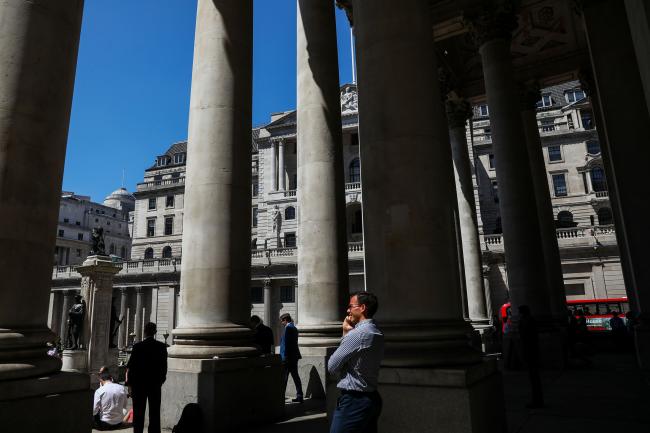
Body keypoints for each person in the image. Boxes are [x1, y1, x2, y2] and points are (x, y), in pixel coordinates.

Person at [328, 292, 384, 433]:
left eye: (351, 306)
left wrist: (345, 332)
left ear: (362, 308)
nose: (348, 310)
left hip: (353, 401)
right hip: (371, 398)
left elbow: (332, 366)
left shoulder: (358, 334)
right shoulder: (376, 331)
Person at [126, 322, 168, 433]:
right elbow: (164, 368)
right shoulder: (161, 347)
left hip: (139, 385)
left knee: (138, 412)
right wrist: (160, 381)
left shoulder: (137, 346)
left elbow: (131, 367)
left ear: (144, 332)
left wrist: (130, 384)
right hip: (154, 384)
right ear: (155, 332)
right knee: (154, 412)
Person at [518, 305, 543, 408]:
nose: (518, 314)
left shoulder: (526, 321)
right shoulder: (529, 320)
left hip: (530, 351)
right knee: (534, 377)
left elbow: (525, 335)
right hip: (531, 351)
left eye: (519, 312)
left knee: (534, 377)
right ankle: (537, 399)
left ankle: (537, 401)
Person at [279, 313, 303, 403]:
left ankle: (281, 397)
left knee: (284, 377)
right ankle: (299, 395)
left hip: (287, 357)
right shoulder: (294, 328)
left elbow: (286, 344)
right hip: (294, 356)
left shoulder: (288, 328)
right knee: (295, 376)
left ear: (285, 320)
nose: (282, 323)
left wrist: (284, 357)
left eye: (282, 321)